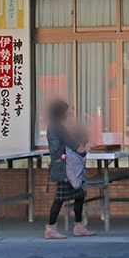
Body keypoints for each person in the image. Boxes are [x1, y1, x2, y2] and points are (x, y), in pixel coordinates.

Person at [45, 99, 94, 239]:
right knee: (60, 198)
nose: (66, 115)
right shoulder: (57, 128)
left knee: (79, 195)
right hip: (65, 168)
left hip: (64, 166)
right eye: (65, 112)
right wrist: (83, 151)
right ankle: (51, 228)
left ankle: (79, 226)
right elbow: (72, 144)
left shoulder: (53, 126)